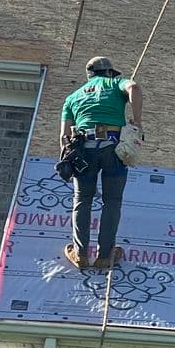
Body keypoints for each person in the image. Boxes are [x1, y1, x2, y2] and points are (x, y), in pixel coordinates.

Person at [60, 56, 144, 271]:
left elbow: (63, 137)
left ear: (89, 75)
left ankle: (80, 254)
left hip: (83, 149)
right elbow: (133, 87)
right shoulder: (115, 83)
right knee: (112, 201)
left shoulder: (73, 97)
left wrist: (67, 159)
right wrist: (137, 121)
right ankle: (105, 256)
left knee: (82, 200)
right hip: (112, 148)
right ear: (108, 72)